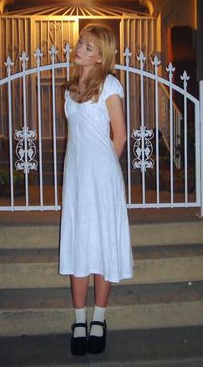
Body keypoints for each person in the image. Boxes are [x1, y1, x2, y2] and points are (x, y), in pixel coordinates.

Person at [59, 23, 133, 356]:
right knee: (78, 244)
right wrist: (80, 173)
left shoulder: (110, 84)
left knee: (102, 244)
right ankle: (78, 320)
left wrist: (102, 173)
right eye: (80, 43)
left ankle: (99, 318)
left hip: (101, 179)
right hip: (76, 178)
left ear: (102, 55)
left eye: (89, 47)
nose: (80, 49)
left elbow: (119, 135)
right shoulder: (69, 90)